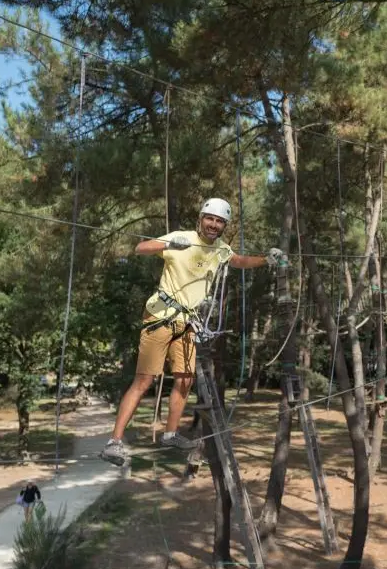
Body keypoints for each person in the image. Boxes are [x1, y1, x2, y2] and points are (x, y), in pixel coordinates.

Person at [100, 198, 286, 466]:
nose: (213, 225)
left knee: (185, 380)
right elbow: (140, 247)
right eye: (210, 219)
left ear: (224, 226)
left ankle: (171, 433)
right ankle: (114, 442)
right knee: (144, 381)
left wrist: (266, 259)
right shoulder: (181, 237)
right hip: (161, 316)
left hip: (186, 323)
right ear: (200, 219)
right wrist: (168, 244)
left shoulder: (220, 249)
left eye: (219, 221)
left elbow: (240, 261)